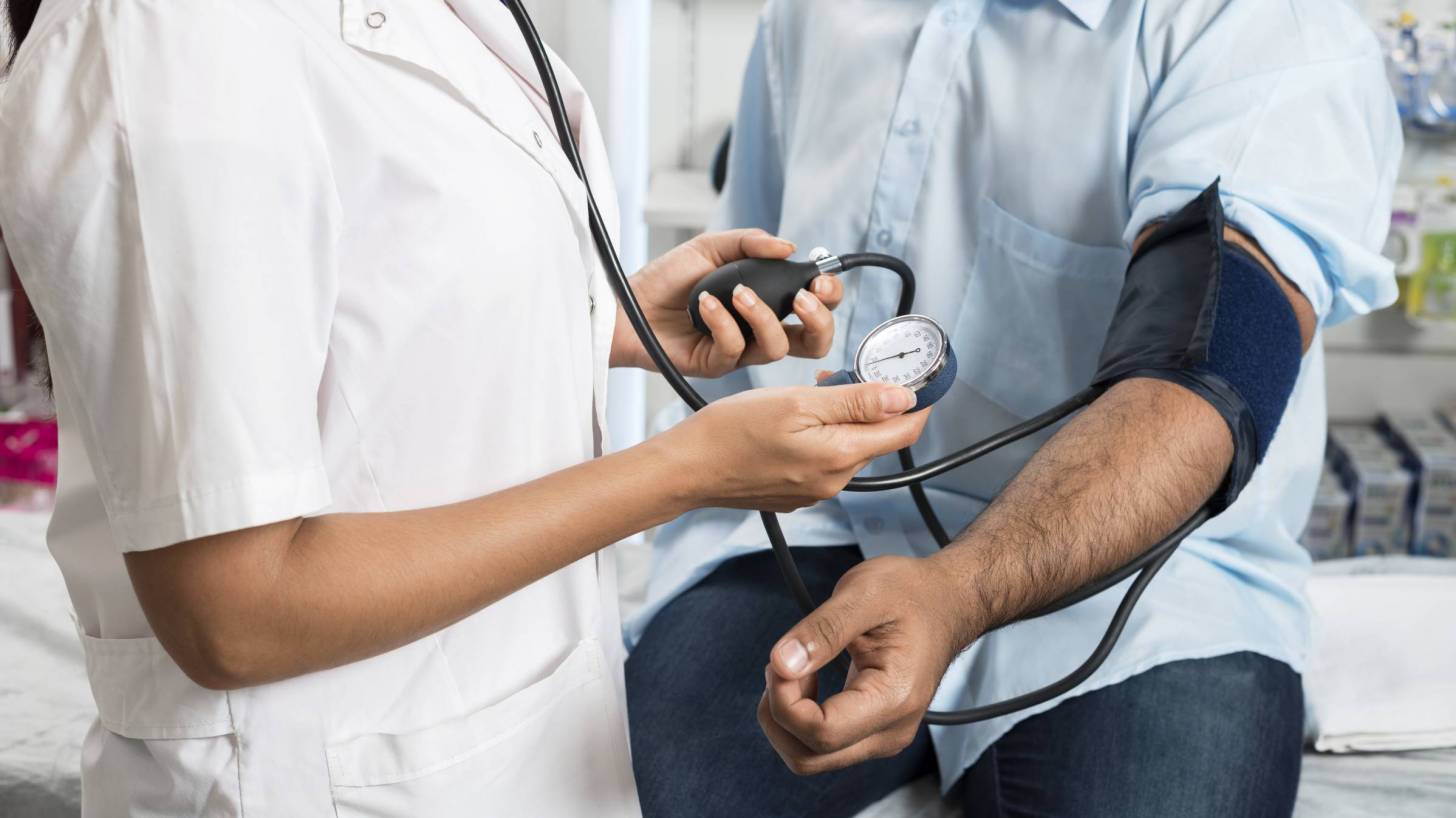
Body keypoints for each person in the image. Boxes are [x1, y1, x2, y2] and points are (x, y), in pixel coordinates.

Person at [0, 0, 933, 814]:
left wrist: (609, 321)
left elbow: (373, 299)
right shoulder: (166, 41)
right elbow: (231, 610)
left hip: (524, 745)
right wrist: (688, 470)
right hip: (324, 780)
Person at [625, 1, 1401, 816]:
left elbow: (1207, 374)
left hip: (1151, 584)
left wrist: (957, 592)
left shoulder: (1268, 29)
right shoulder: (813, 15)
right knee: (617, 796)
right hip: (826, 522)